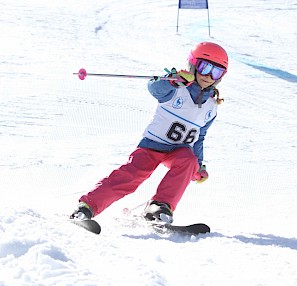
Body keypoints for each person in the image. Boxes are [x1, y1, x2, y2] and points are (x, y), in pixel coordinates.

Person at [70, 41, 229, 224]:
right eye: (205, 67)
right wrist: (172, 80)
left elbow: (199, 138)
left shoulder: (211, 106)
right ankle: (87, 207)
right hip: (153, 146)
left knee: (189, 161)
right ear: (193, 65)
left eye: (216, 72)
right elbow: (154, 88)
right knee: (131, 176)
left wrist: (198, 166)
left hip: (179, 150)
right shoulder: (176, 88)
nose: (209, 76)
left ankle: (159, 207)